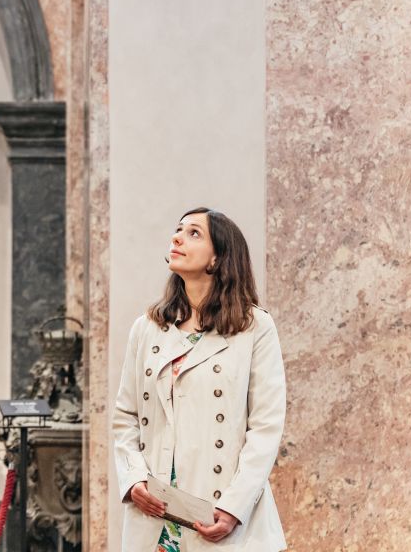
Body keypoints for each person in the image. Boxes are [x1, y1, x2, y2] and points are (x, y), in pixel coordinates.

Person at [113, 207, 287, 551]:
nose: (177, 237)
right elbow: (126, 417)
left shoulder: (254, 328)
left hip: (223, 515)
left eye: (194, 233)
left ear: (218, 258)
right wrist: (133, 481)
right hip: (155, 515)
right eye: (178, 230)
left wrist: (234, 507)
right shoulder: (147, 328)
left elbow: (266, 427)